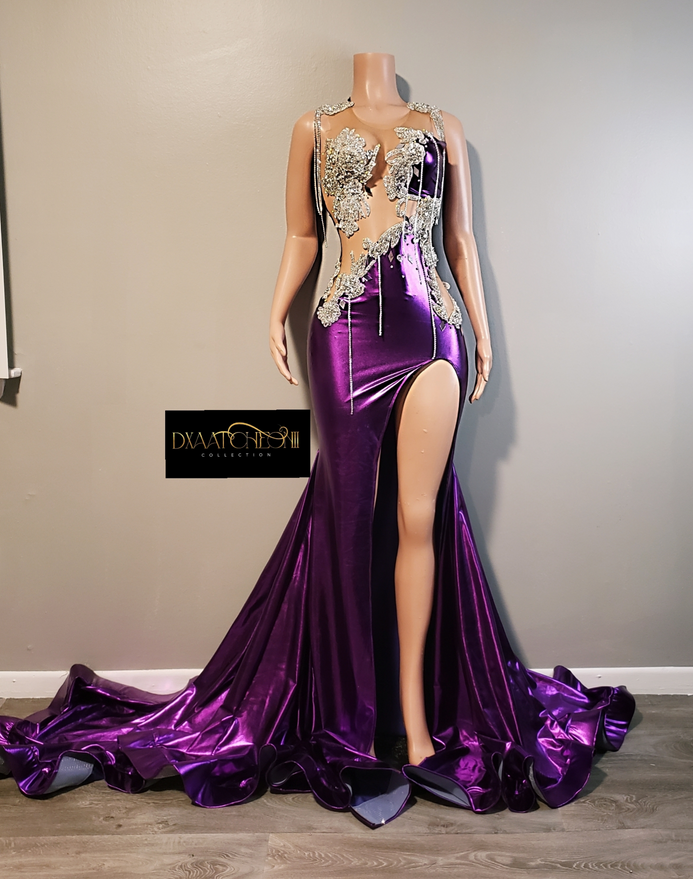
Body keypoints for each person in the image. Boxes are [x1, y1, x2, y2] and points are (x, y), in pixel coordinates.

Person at [0, 53, 634, 828]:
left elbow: (460, 240)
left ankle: (416, 728)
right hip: (344, 332)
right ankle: (352, 726)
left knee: (418, 520)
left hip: (433, 330)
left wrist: (485, 332)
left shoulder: (442, 127)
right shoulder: (314, 125)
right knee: (347, 519)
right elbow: (302, 234)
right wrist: (273, 310)